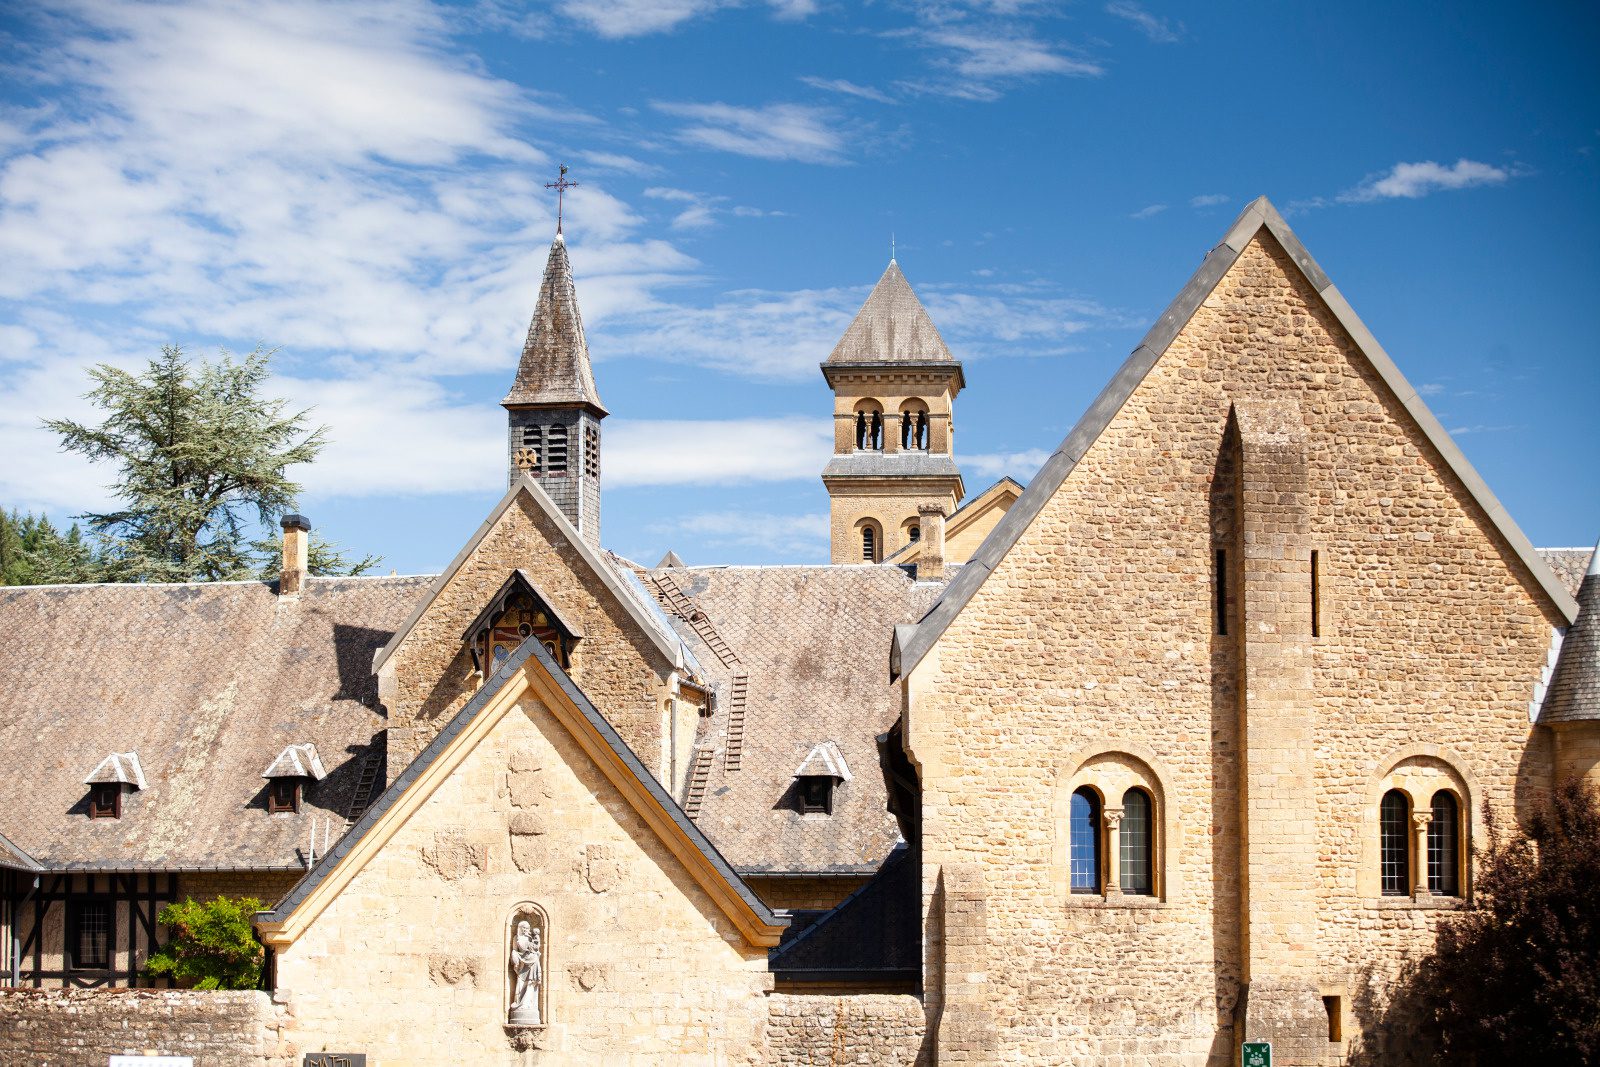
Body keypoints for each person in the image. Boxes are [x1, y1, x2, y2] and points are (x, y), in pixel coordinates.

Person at [510, 921, 542, 1025]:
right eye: (524, 928)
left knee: (531, 983)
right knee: (521, 983)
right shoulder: (516, 938)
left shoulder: (530, 938)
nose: (526, 930)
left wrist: (535, 941)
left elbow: (536, 948)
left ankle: (528, 1004)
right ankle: (520, 1003)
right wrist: (514, 957)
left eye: (527, 928)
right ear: (520, 928)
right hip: (522, 964)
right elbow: (515, 950)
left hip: (533, 962)